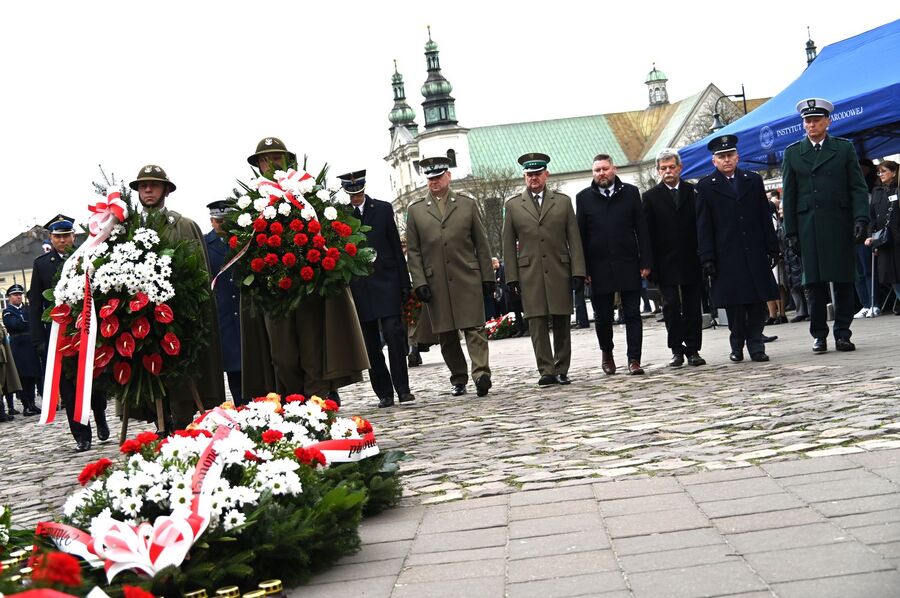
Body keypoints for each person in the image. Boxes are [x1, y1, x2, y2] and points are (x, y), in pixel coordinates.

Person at [240, 137, 369, 403]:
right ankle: (294, 405)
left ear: (287, 160)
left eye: (276, 157)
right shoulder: (251, 204)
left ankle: (317, 408)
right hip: (274, 292)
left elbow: (332, 233)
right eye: (264, 159)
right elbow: (241, 248)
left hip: (311, 290)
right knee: (282, 357)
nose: (270, 164)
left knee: (313, 354)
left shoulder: (307, 195)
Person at [131, 166, 225, 429]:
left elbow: (201, 275)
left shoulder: (184, 226)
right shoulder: (128, 228)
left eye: (154, 185)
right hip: (142, 318)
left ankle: (181, 417)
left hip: (180, 315)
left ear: (166, 190)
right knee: (149, 370)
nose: (148, 190)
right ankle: (158, 420)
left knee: (183, 373)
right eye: (143, 186)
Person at [781, 98, 870, 353]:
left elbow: (857, 186)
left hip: (838, 222)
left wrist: (861, 218)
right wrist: (791, 232)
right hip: (809, 226)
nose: (811, 125)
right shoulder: (793, 153)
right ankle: (819, 334)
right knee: (814, 284)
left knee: (843, 280)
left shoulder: (843, 149)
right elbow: (790, 195)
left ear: (827, 122)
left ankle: (843, 333)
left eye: (816, 120)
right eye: (807, 121)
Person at [406, 156, 494, 397]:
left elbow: (482, 244)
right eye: (430, 178)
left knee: (474, 327)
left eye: (438, 177)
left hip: (467, 275)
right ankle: (458, 377)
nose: (434, 182)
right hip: (436, 282)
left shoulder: (467, 204)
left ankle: (481, 374)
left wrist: (488, 276)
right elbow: (413, 251)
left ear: (448, 176)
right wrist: (419, 282)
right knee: (446, 334)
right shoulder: (415, 211)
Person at [502, 152, 586, 386]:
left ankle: (562, 368)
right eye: (529, 175)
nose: (533, 178)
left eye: (537, 174)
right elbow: (508, 244)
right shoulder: (513, 205)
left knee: (561, 319)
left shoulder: (562, 202)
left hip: (559, 268)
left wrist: (578, 271)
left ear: (546, 174)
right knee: (536, 321)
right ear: (524, 177)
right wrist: (511, 278)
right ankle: (546, 370)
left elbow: (574, 239)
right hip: (530, 273)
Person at [28, 215, 109, 451]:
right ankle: (81, 435)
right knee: (69, 387)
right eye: (57, 237)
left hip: (88, 328)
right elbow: (35, 304)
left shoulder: (86, 256)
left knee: (95, 381)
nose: (62, 241)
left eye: (66, 236)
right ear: (51, 238)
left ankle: (100, 415)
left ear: (74, 236)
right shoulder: (41, 264)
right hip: (60, 335)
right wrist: (38, 339)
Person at [696, 135, 779, 363]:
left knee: (756, 301)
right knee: (734, 304)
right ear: (714, 161)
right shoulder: (706, 186)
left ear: (737, 157)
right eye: (721, 157)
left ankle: (756, 345)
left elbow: (764, 215)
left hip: (753, 250)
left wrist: (772, 245)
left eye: (730, 155)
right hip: (726, 254)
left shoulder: (752, 180)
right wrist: (707, 257)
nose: (726, 160)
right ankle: (737, 344)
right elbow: (704, 225)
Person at [342, 169, 415, 408]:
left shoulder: (382, 209)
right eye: (351, 193)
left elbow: (395, 246)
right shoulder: (341, 216)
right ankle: (384, 392)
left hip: (387, 281)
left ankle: (403, 389)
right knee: (370, 342)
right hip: (361, 287)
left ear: (364, 189)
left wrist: (405, 283)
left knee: (394, 334)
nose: (355, 197)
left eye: (358, 192)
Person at [576, 154, 652, 375]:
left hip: (628, 262)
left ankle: (634, 359)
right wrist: (584, 269)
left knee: (633, 314)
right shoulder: (583, 198)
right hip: (598, 267)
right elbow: (580, 236)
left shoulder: (630, 193)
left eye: (605, 169)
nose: (601, 173)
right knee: (603, 317)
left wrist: (645, 260)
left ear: (614, 169)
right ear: (593, 173)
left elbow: (642, 229)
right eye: (597, 170)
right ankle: (607, 354)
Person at [641, 148, 706, 367]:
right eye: (664, 168)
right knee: (670, 306)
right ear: (658, 171)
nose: (668, 171)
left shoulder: (693, 191)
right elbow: (646, 233)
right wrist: (648, 263)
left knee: (692, 306)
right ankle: (676, 349)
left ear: (680, 168)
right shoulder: (650, 197)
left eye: (672, 167)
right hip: (665, 260)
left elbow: (701, 225)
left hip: (691, 258)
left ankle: (693, 349)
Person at [205, 200, 243, 405]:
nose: (222, 225)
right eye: (218, 221)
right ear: (211, 221)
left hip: (244, 312)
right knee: (233, 367)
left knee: (252, 363)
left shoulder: (242, 239)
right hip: (224, 314)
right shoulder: (205, 243)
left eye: (226, 221)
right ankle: (240, 405)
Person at [865, 160, 900, 314]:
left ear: (894, 172)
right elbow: (871, 217)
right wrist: (870, 235)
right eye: (879, 172)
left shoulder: (898, 190)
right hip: (884, 240)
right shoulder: (877, 191)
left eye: (884, 171)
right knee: (889, 274)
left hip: (897, 236)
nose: (881, 174)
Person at [3, 284, 41, 416]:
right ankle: (26, 405)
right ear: (9, 297)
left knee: (32, 376)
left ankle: (32, 402)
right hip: (19, 347)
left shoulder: (26, 309)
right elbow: (16, 325)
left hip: (30, 345)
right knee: (23, 377)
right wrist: (26, 314)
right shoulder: (8, 312)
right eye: (15, 295)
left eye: (20, 294)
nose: (19, 297)